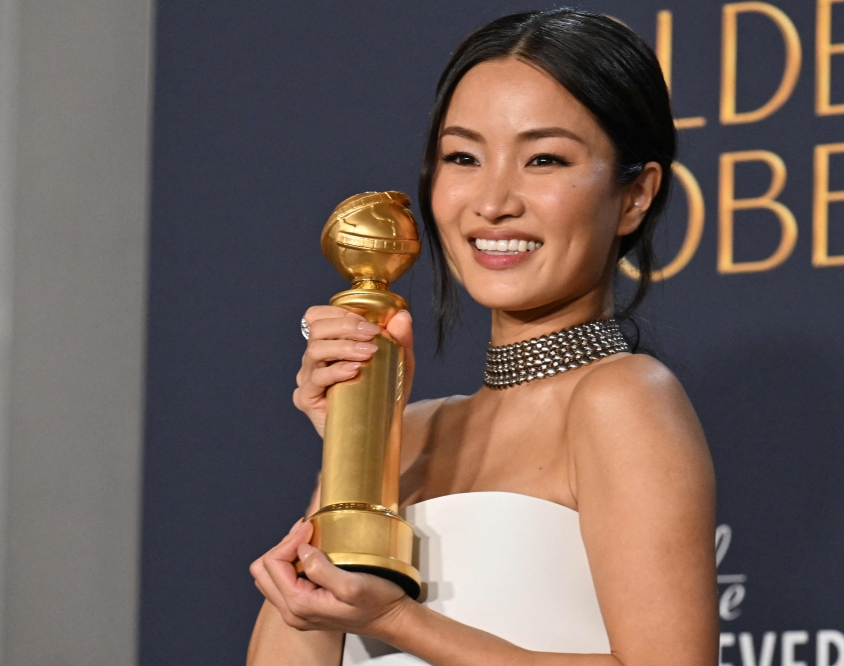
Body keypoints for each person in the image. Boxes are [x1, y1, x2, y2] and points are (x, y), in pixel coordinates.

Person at [248, 9, 717, 666]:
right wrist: (354, 447)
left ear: (635, 196)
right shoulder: (411, 432)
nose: (493, 201)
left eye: (544, 159)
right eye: (463, 157)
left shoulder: (623, 399)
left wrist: (397, 620)